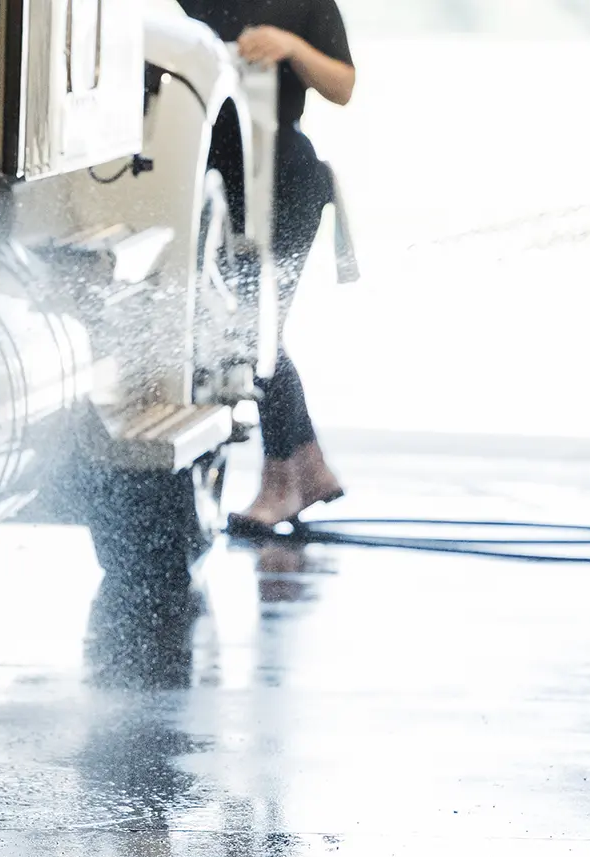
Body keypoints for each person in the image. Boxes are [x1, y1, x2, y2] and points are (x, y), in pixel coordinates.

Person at [185, 0, 356, 532]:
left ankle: (287, 476)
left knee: (257, 333)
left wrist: (291, 47)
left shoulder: (307, 2)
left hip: (284, 182)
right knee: (238, 335)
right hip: (209, 184)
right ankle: (304, 466)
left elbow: (344, 86)